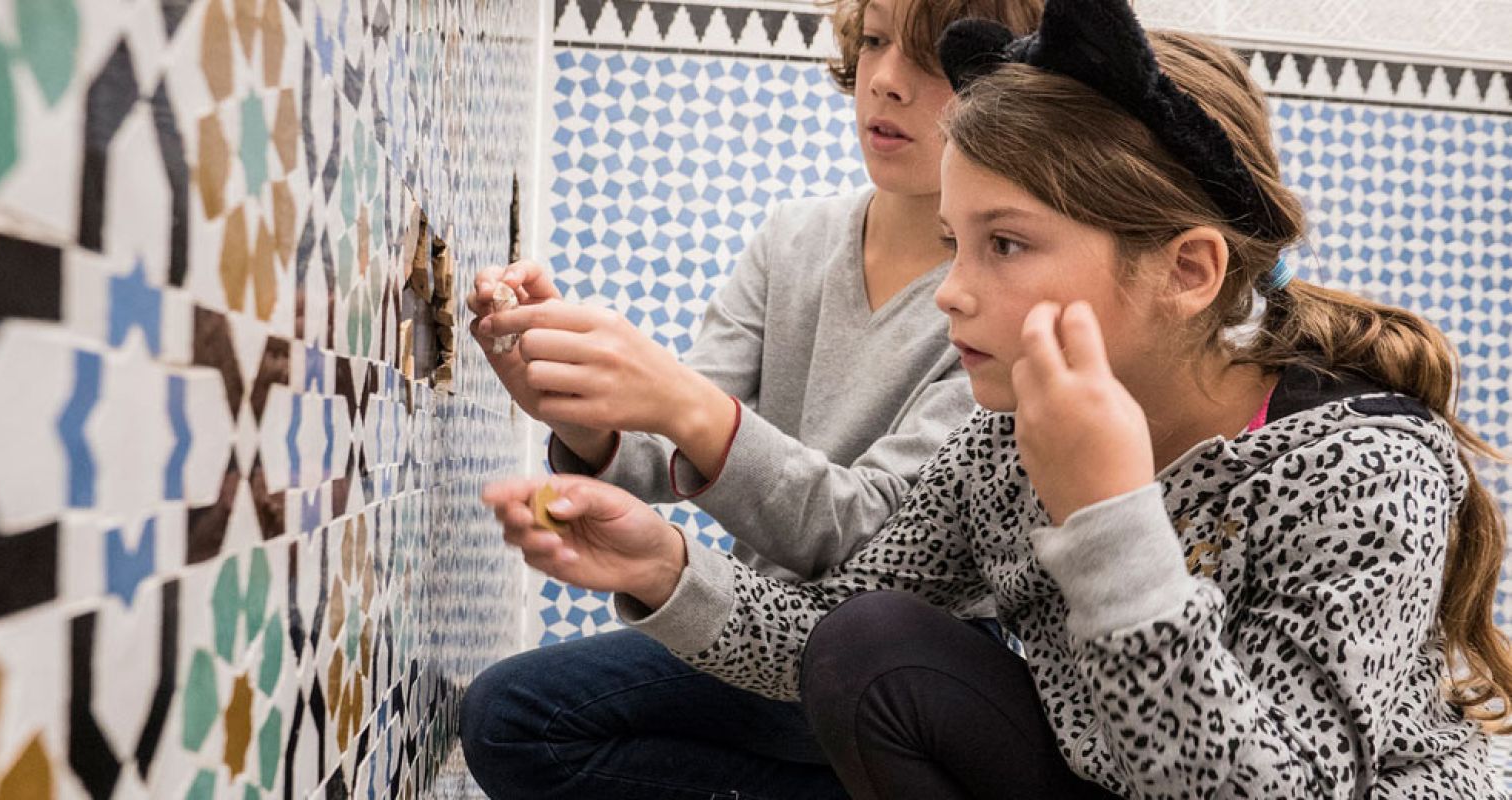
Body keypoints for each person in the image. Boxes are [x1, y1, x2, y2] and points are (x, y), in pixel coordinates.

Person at [482, 1, 1512, 797]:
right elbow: (829, 636)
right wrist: (665, 567)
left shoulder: (1357, 466)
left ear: (1189, 270)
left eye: (1004, 244)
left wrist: (1111, 522)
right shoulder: (1002, 442)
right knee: (874, 642)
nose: (957, 291)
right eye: (952, 242)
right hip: (1113, 776)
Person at [459, 2, 1043, 797]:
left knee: (514, 714)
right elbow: (665, 447)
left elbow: (868, 533)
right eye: (872, 43)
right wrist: (576, 406)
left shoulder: (1001, 300)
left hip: (904, 652)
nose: (884, 82)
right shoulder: (792, 238)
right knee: (506, 720)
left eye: (931, 61)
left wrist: (683, 406)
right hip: (756, 617)